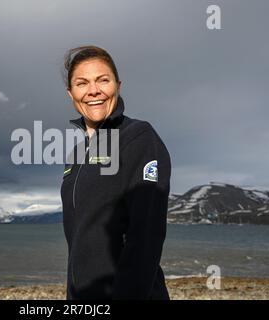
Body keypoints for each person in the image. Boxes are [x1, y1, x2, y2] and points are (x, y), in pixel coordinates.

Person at [61, 45, 171, 300]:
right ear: (71, 93)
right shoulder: (76, 156)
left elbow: (146, 237)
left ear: (118, 85)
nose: (93, 91)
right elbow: (79, 242)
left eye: (103, 80)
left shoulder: (139, 138)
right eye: (82, 83)